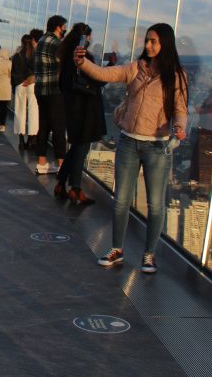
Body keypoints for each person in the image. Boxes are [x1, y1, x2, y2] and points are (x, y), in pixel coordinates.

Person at [75, 22, 188, 274]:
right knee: (121, 200)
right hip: (128, 141)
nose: (147, 45)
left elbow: (180, 110)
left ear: (165, 44)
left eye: (153, 41)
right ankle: (117, 249)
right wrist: (83, 64)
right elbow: (106, 74)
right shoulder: (136, 68)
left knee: (155, 204)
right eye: (147, 40)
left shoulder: (176, 76)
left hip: (157, 146)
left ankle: (149, 255)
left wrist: (179, 127)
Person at [56, 24, 104, 206]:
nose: (90, 41)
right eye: (88, 37)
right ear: (84, 38)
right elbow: (98, 80)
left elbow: (63, 84)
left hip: (73, 107)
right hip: (86, 108)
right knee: (81, 149)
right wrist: (110, 68)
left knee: (76, 147)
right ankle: (75, 188)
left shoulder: (67, 57)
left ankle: (61, 183)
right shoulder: (82, 58)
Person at [34, 15, 67, 174]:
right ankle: (61, 164)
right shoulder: (56, 42)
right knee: (59, 127)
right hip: (54, 90)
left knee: (44, 125)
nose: (65, 29)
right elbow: (65, 61)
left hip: (40, 90)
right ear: (58, 27)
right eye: (64, 27)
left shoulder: (41, 40)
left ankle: (42, 162)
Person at [11, 34, 38, 150]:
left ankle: (21, 140)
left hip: (20, 85)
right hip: (32, 85)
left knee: (19, 112)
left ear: (21, 42)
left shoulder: (16, 56)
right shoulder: (35, 56)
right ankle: (31, 139)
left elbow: (13, 73)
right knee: (33, 112)